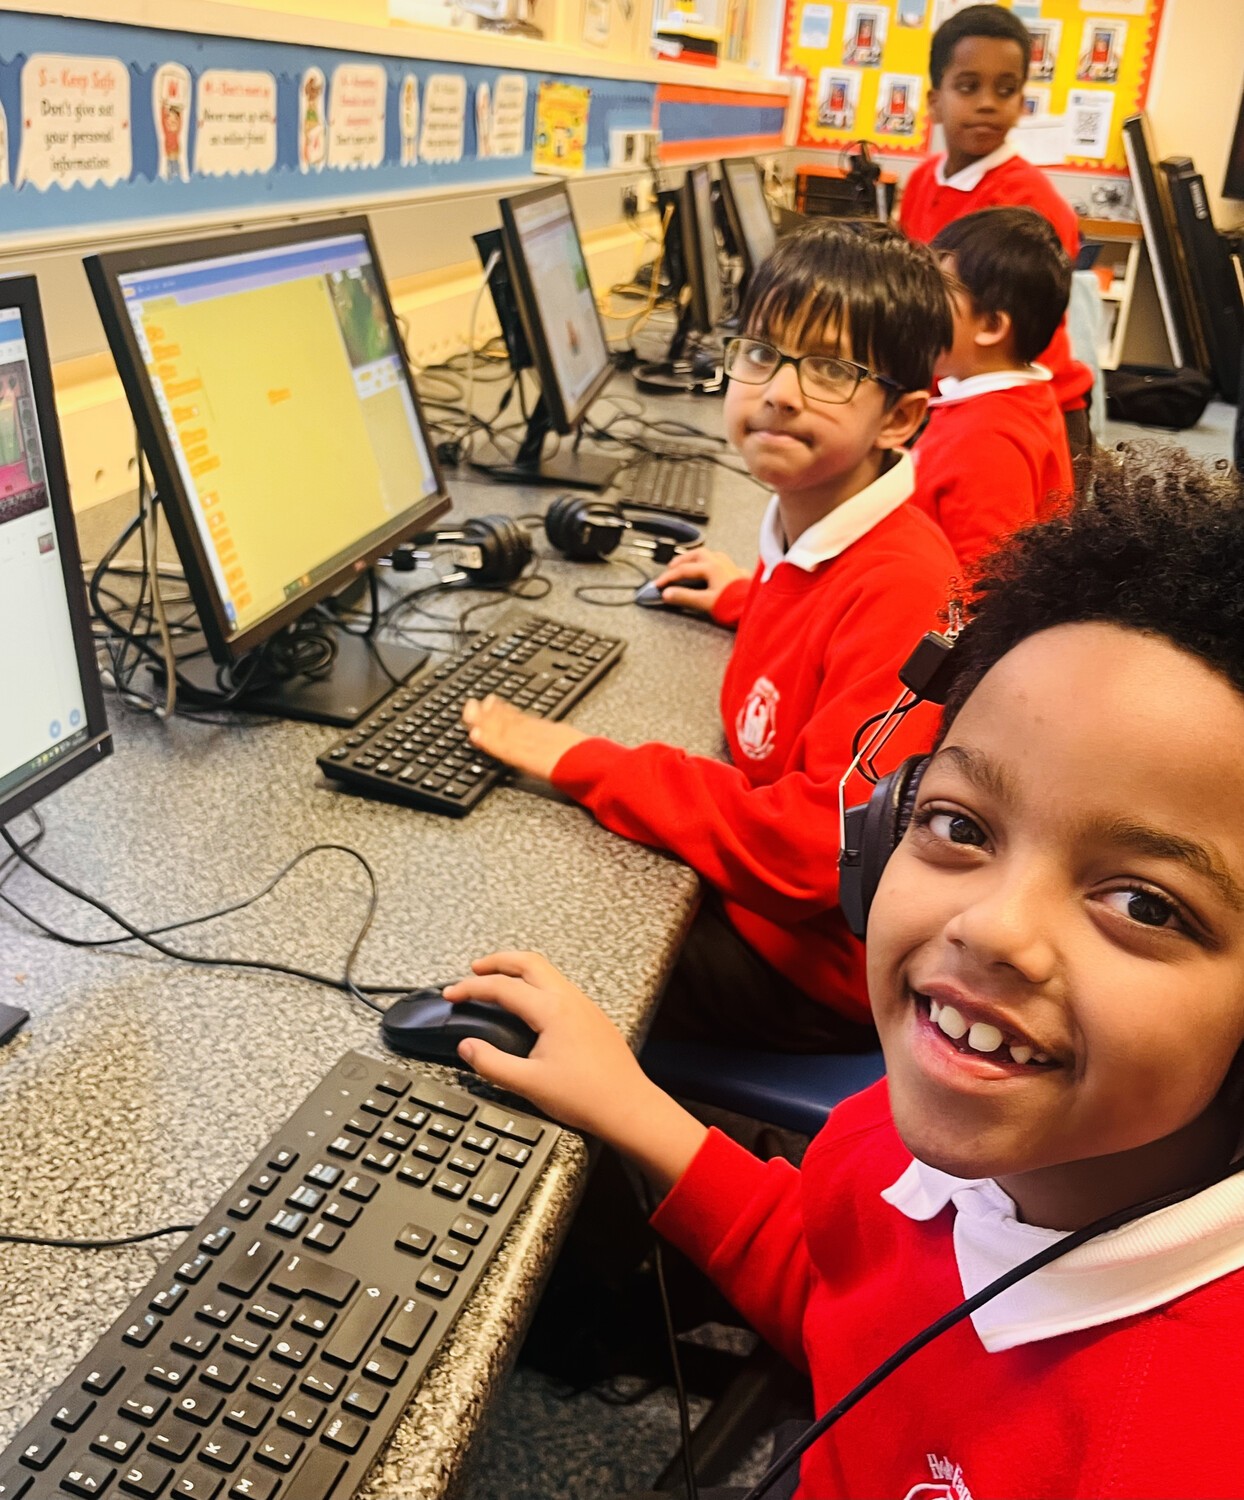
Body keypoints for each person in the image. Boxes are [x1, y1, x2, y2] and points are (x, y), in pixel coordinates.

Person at [448, 447, 1244, 1499]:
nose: (993, 930)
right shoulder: (907, 1129)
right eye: (958, 825)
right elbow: (843, 1299)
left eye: (1142, 904)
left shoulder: (1179, 1449)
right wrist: (628, 1102)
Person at [464, 221, 958, 1051]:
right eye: (761, 353)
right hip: (765, 908)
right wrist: (746, 596)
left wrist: (589, 762)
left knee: (518, 952)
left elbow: (817, 845)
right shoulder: (814, 527)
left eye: (831, 371)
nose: (780, 392)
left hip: (813, 968)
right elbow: (813, 617)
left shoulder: (903, 586)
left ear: (901, 418)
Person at [898, 3, 1095, 458]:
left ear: (1021, 102)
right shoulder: (923, 180)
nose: (987, 102)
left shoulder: (1030, 202)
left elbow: (1012, 341)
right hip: (950, 397)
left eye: (1005, 89)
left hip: (1018, 413)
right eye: (968, 86)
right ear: (934, 101)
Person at [912, 206, 1074, 571]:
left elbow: (985, 582)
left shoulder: (986, 439)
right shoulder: (1019, 399)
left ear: (990, 326)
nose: (917, 305)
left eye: (937, 292)